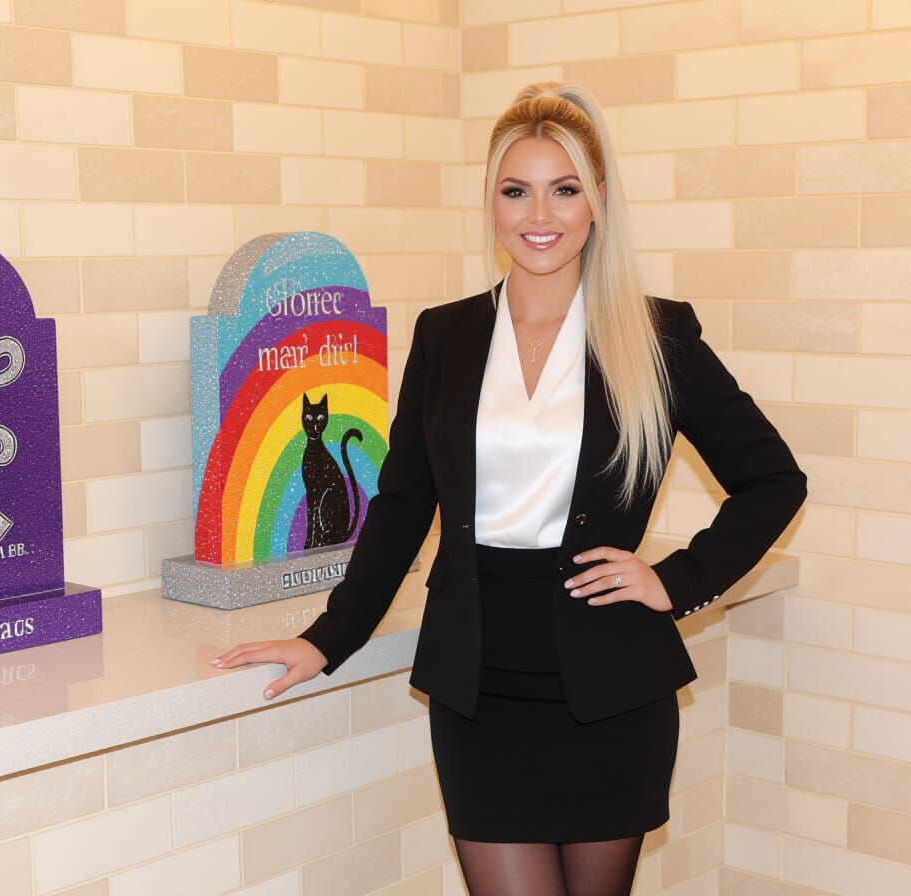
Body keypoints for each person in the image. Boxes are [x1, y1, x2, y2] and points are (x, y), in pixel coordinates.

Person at [210, 81, 806, 896]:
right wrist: (328, 637)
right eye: (516, 189)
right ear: (490, 202)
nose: (541, 214)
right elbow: (401, 502)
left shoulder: (655, 336)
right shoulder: (447, 335)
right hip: (479, 684)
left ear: (597, 205)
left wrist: (677, 582)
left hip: (610, 690)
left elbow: (774, 480)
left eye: (566, 190)